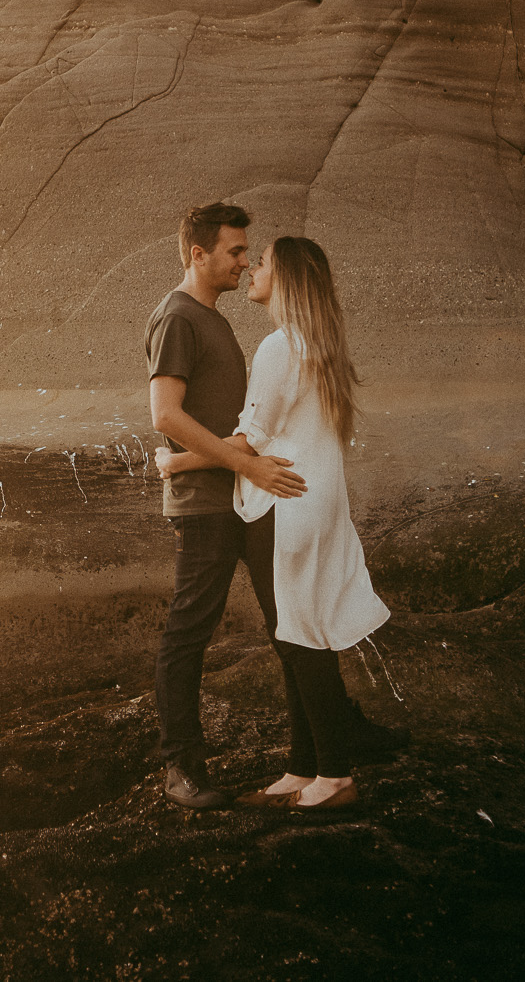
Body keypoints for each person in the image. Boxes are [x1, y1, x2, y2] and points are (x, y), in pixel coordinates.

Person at [157, 235, 408, 809]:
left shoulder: (278, 347)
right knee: (294, 630)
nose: (251, 269)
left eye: (262, 261)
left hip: (282, 506)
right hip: (312, 502)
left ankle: (335, 776)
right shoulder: (319, 346)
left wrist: (176, 459)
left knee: (300, 641)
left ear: (286, 278)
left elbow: (250, 439)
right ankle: (303, 766)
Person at [144, 202, 307, 809]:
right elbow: (165, 415)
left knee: (291, 618)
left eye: (246, 252)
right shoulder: (178, 317)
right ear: (198, 254)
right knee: (190, 633)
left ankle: (328, 740)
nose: (244, 260)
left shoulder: (213, 319)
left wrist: (237, 466)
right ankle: (181, 766)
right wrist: (240, 463)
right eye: (236, 251)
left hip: (244, 496)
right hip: (205, 506)